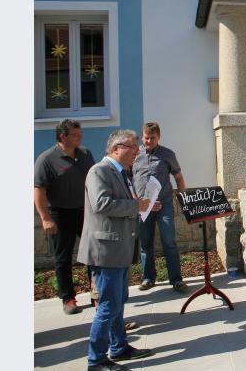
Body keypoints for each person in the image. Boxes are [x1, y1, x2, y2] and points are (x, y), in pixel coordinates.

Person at [78, 130, 153, 370]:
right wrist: (134, 205)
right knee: (109, 305)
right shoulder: (99, 171)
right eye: (133, 147)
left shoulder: (121, 173)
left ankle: (119, 347)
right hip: (105, 249)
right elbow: (101, 204)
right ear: (116, 149)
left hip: (118, 247)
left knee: (118, 301)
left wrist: (139, 206)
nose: (137, 151)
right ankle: (96, 359)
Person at [34, 119, 95, 315]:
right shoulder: (47, 159)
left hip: (85, 211)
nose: (81, 137)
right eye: (76, 134)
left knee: (94, 254)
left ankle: (97, 294)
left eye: (80, 133)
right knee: (63, 257)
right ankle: (68, 298)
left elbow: (94, 180)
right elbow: (39, 191)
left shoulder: (85, 154)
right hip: (59, 214)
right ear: (63, 136)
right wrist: (45, 218)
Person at [133, 122, 188, 293]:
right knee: (145, 243)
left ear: (159, 137)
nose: (149, 141)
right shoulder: (135, 155)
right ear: (142, 137)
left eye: (152, 138)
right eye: (146, 138)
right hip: (143, 207)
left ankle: (176, 279)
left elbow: (178, 176)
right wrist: (135, 202)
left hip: (163, 205)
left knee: (169, 241)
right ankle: (148, 278)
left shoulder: (167, 154)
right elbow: (128, 181)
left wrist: (184, 198)